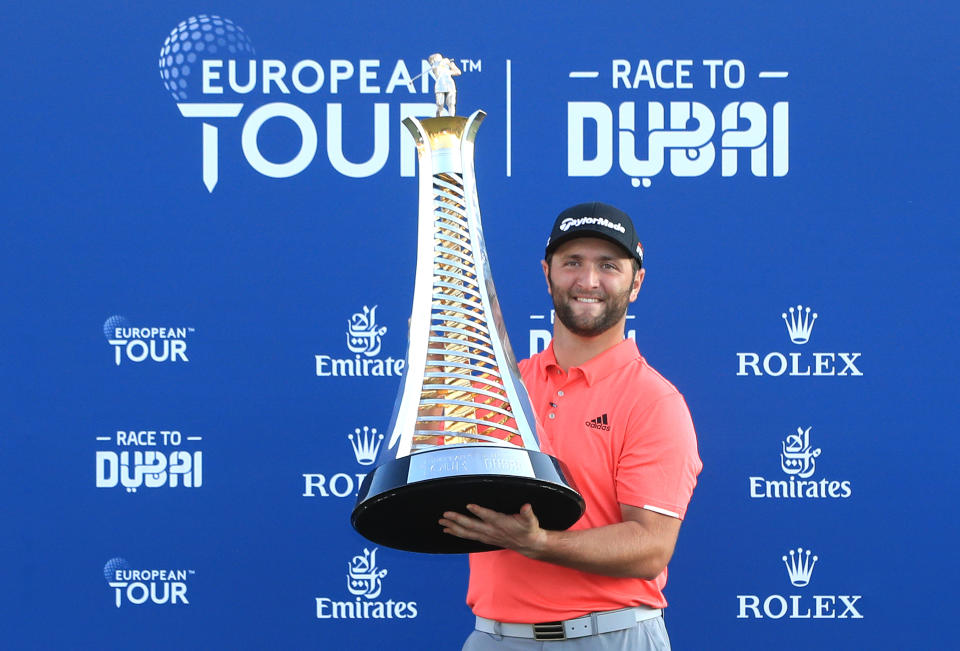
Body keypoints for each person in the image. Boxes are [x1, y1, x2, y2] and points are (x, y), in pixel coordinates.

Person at [439, 202, 702, 650]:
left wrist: (541, 543)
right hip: (494, 637)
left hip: (608, 636)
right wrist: (436, 369)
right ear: (547, 273)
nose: (588, 281)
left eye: (608, 266)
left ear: (636, 283)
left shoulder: (653, 400)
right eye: (572, 263)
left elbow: (651, 546)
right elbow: (441, 482)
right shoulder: (503, 388)